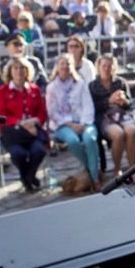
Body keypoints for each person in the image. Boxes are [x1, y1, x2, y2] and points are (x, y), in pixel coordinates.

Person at [47, 53, 101, 187]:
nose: (65, 67)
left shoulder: (80, 84)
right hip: (62, 124)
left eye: (68, 64)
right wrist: (71, 125)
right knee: (73, 141)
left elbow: (88, 105)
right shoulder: (52, 87)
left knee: (89, 139)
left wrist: (82, 124)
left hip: (83, 122)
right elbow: (52, 112)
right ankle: (93, 171)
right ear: (57, 67)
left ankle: (95, 179)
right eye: (62, 64)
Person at [0, 56, 48, 192]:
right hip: (13, 133)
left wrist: (34, 121)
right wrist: (20, 123)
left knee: (39, 150)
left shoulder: (34, 89)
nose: (19, 72)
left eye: (22, 69)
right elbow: (1, 116)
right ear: (10, 71)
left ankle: (28, 177)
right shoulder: (3, 91)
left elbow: (42, 112)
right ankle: (28, 179)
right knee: (19, 154)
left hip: (33, 131)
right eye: (16, 68)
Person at [89, 54, 135, 183]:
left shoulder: (120, 82)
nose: (106, 69)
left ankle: (132, 168)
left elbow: (130, 102)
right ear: (98, 67)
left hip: (122, 114)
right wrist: (108, 101)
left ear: (114, 67)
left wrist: (124, 101)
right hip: (104, 117)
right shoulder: (93, 85)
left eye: (109, 66)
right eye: (104, 66)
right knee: (118, 134)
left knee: (131, 130)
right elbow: (92, 107)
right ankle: (117, 169)